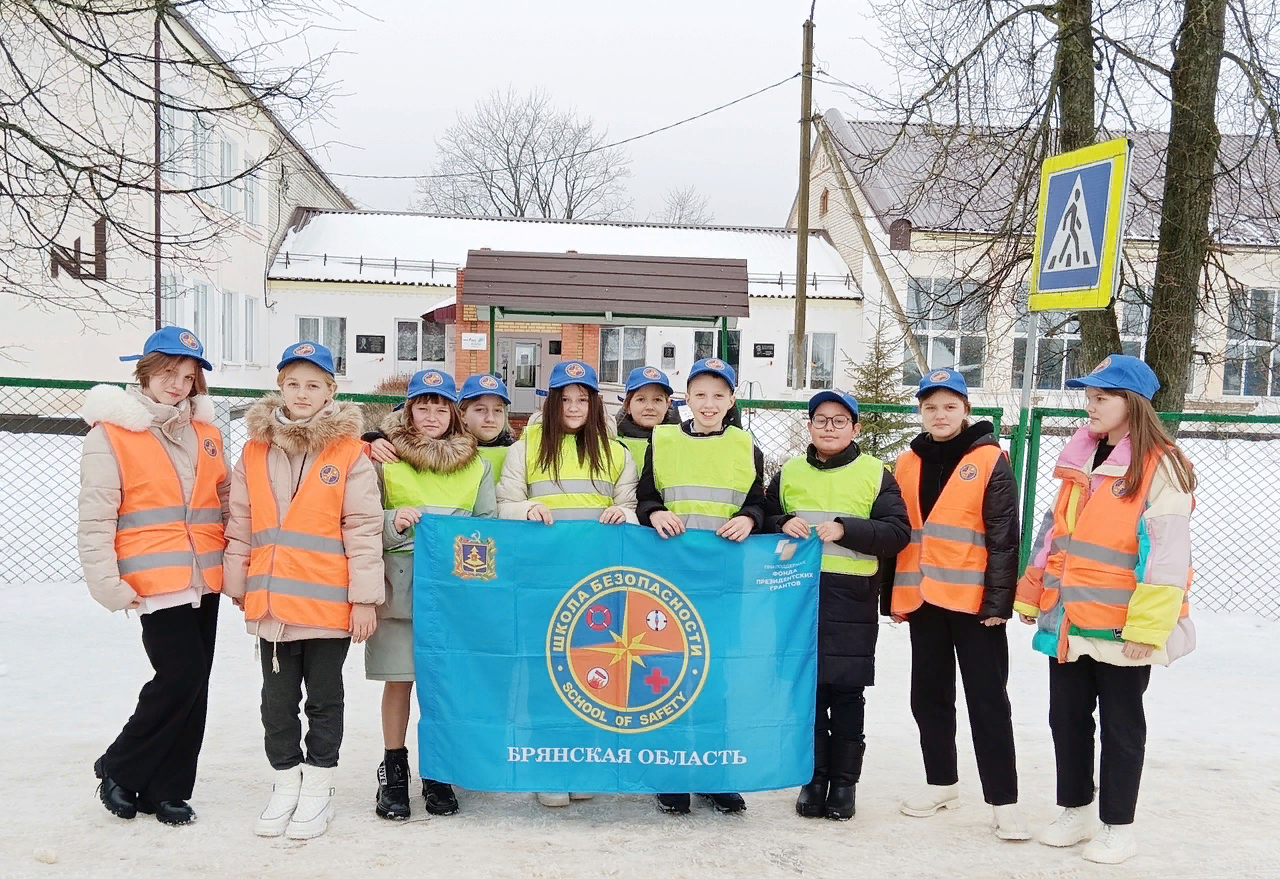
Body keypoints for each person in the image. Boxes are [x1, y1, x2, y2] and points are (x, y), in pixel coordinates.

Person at [1015, 355, 1196, 865]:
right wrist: (1032, 593)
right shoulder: (1079, 457)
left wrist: (1148, 628)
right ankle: (1074, 809)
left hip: (1123, 624)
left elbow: (1167, 557)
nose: (1090, 407)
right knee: (1066, 717)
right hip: (1069, 617)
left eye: (1102, 398)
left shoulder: (1164, 466)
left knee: (1121, 724)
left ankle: (1118, 825)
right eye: (1089, 397)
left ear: (1132, 404)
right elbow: (1053, 535)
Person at [223, 341, 385, 841]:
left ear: (331, 391)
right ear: (279, 388)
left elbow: (363, 528)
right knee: (275, 702)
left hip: (329, 604)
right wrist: (237, 584)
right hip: (273, 603)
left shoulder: (349, 453)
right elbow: (241, 522)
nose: (301, 393)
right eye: (292, 383)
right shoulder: (254, 450)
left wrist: (363, 599)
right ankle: (284, 783)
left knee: (323, 699)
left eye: (313, 384)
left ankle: (318, 786)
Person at [77, 327, 228, 827]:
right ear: (144, 373)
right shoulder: (112, 434)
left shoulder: (206, 435)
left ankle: (168, 790)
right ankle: (119, 766)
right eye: (168, 374)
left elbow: (225, 502)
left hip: (204, 574)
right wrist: (106, 581)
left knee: (194, 684)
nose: (179, 385)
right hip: (153, 579)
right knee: (177, 677)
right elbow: (97, 516)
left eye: (188, 377)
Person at [884, 367, 1026, 840]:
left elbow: (1006, 537)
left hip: (974, 604)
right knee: (929, 698)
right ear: (920, 411)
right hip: (924, 599)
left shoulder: (989, 459)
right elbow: (899, 532)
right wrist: (893, 597)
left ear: (966, 410)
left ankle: (1004, 802)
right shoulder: (907, 462)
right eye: (930, 407)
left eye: (949, 406)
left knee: (988, 702)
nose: (939, 415)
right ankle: (940, 782)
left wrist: (999, 602)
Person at [496, 359, 638, 807]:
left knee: (594, 672)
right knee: (546, 673)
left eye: (582, 398)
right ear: (552, 402)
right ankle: (548, 767)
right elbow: (505, 502)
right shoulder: (528, 444)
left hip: (598, 584)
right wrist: (526, 511)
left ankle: (584, 764)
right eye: (565, 398)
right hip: (545, 579)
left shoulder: (616, 451)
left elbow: (633, 506)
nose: (573, 406)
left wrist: (626, 515)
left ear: (594, 403)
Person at [765, 390, 911, 821]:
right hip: (797, 597)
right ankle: (813, 778)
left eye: (839, 420)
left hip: (851, 600)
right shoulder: (789, 472)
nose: (829, 428)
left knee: (847, 694)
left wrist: (847, 528)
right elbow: (765, 516)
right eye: (821, 420)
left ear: (855, 427)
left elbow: (897, 532)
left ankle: (844, 785)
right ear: (809, 426)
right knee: (806, 694)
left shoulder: (874, 474)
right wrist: (778, 521)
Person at [637, 357, 767, 816]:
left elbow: (759, 503)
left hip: (722, 578)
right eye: (700, 394)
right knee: (670, 674)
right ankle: (671, 771)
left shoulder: (746, 446)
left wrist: (751, 520)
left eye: (719, 395)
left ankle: (713, 772)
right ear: (686, 399)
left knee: (718, 675)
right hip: (670, 577)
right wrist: (653, 512)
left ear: (732, 401)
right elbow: (646, 496)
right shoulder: (664, 439)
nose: (709, 403)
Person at [368, 369, 496, 821]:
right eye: (422, 405)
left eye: (440, 405)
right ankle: (394, 770)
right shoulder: (383, 459)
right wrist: (391, 522)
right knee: (400, 680)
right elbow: (362, 519)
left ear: (454, 413)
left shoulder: (477, 466)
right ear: (408, 409)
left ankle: (438, 771)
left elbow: (488, 527)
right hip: (400, 585)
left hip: (453, 594)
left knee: (444, 687)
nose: (431, 414)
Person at [459, 374, 516, 482]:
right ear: (463, 415)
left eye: (497, 410)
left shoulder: (517, 453)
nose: (490, 419)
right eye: (480, 410)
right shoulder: (447, 455)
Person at [616, 365, 677, 463]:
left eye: (657, 400)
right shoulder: (612, 445)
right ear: (627, 406)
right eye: (641, 400)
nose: (649, 407)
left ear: (667, 405)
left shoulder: (680, 443)